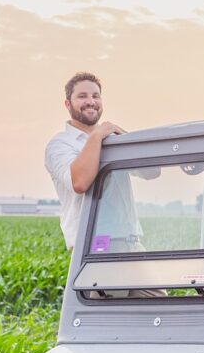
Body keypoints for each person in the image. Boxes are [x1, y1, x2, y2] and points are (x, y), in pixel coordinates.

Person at [44, 71, 162, 297]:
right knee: (107, 319)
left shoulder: (113, 140)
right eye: (82, 96)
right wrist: (96, 136)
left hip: (132, 243)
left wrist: (124, 137)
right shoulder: (60, 145)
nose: (90, 101)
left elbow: (151, 171)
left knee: (158, 307)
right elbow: (79, 182)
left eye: (96, 96)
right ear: (68, 103)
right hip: (98, 247)